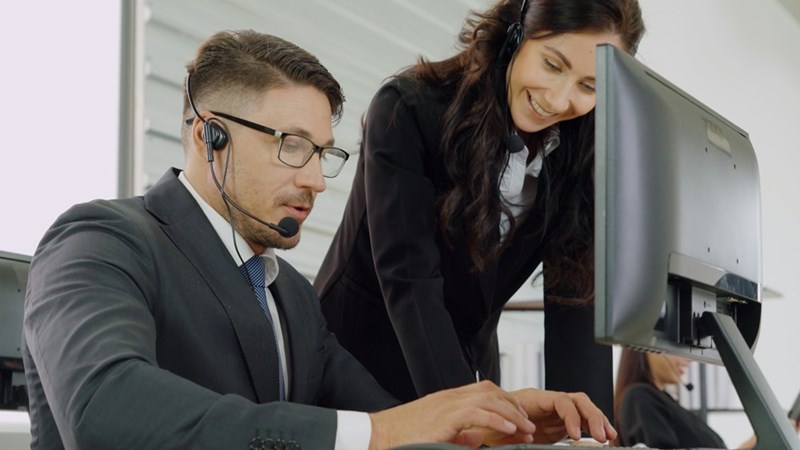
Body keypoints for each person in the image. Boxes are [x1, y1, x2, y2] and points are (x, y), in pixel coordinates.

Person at [22, 30, 618, 449]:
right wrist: (385, 430)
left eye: (323, 154)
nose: (315, 179)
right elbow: (105, 409)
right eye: (292, 145)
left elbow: (398, 420)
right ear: (210, 138)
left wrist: (495, 424)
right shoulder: (100, 240)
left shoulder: (292, 298)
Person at [313, 0, 645, 417]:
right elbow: (410, 280)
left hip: (467, 367)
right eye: (552, 65)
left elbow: (574, 295)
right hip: (358, 361)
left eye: (589, 86)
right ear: (516, 33)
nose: (560, 99)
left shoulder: (581, 153)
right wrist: (464, 413)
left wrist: (585, 430)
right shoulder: (408, 109)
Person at [614, 349, 800, 448]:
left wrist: (757, 443)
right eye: (676, 348)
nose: (687, 359)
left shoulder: (668, 402)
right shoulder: (639, 397)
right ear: (647, 347)